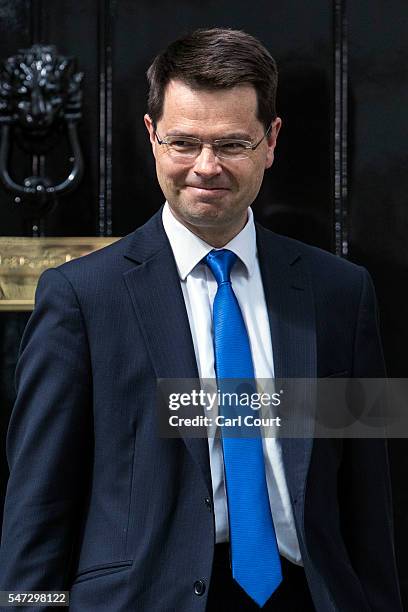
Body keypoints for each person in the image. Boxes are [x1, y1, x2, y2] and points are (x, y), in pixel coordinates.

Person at [0, 28, 402, 612]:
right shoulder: (80, 297)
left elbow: (368, 499)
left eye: (232, 144)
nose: (205, 168)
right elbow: (39, 502)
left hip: (308, 596)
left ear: (271, 141)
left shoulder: (341, 293)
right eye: (184, 142)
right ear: (151, 137)